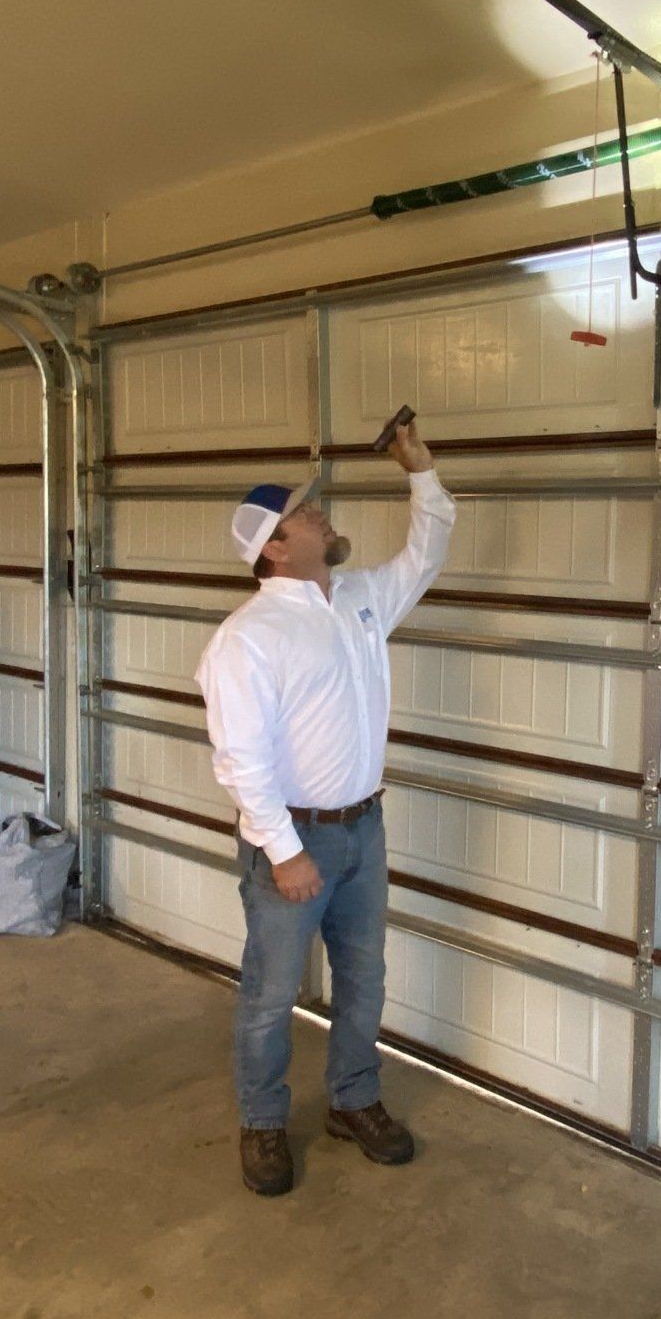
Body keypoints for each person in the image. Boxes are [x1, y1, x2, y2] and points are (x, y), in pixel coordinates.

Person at [195, 420, 455, 1196]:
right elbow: (242, 760)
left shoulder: (361, 599)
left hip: (363, 829)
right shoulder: (248, 639)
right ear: (275, 548)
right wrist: (284, 850)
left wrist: (422, 471)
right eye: (305, 515)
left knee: (365, 977)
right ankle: (263, 1122)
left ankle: (354, 1099)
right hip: (297, 842)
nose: (321, 517)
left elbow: (428, 550)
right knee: (273, 991)